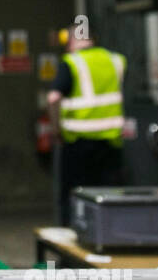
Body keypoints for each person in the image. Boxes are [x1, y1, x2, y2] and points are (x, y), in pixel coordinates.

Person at [45, 23, 126, 225]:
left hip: (77, 142)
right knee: (107, 194)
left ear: (72, 40)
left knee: (74, 194)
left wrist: (55, 130)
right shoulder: (116, 60)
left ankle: (73, 233)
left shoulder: (71, 62)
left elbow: (53, 98)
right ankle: (107, 233)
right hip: (110, 141)